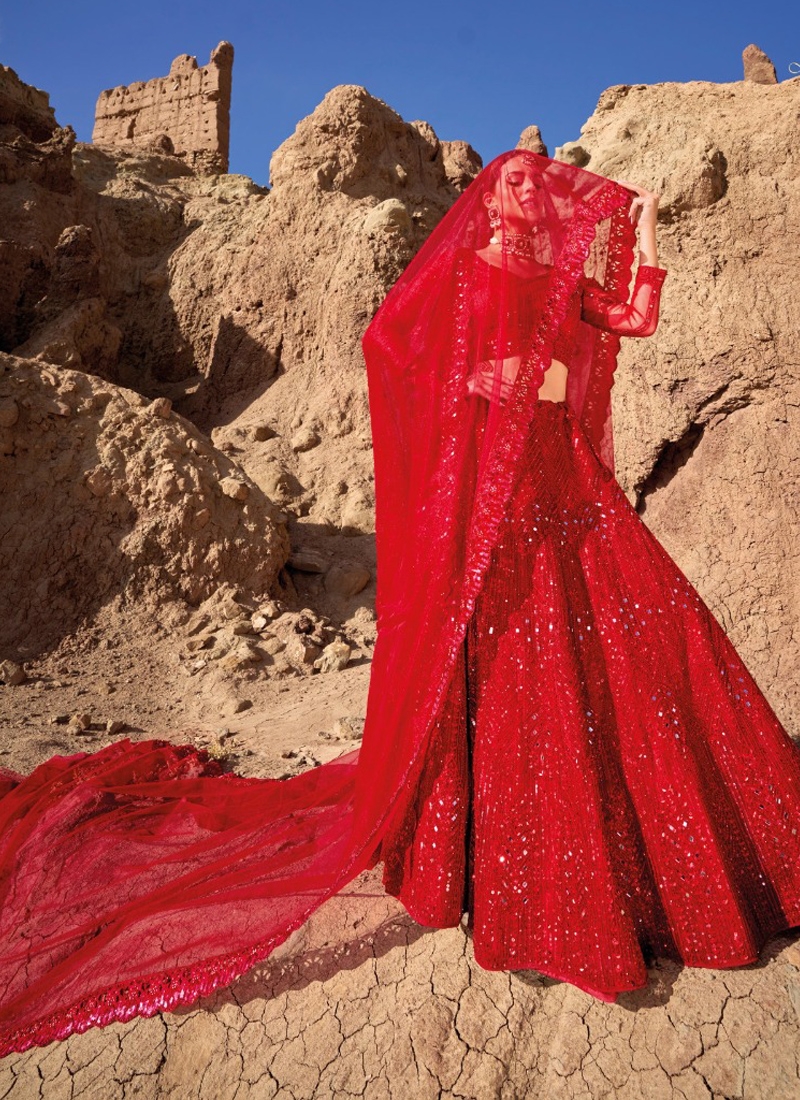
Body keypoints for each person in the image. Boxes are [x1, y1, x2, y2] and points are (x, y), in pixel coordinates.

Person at [1, 150, 799, 1056]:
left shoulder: (556, 279)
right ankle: (518, 888)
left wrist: (645, 224)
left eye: (541, 188)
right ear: (489, 205)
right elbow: (395, 349)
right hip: (500, 501)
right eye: (516, 188)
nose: (531, 199)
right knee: (522, 676)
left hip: (571, 490)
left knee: (645, 634)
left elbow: (634, 317)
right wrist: (482, 383)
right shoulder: (477, 274)